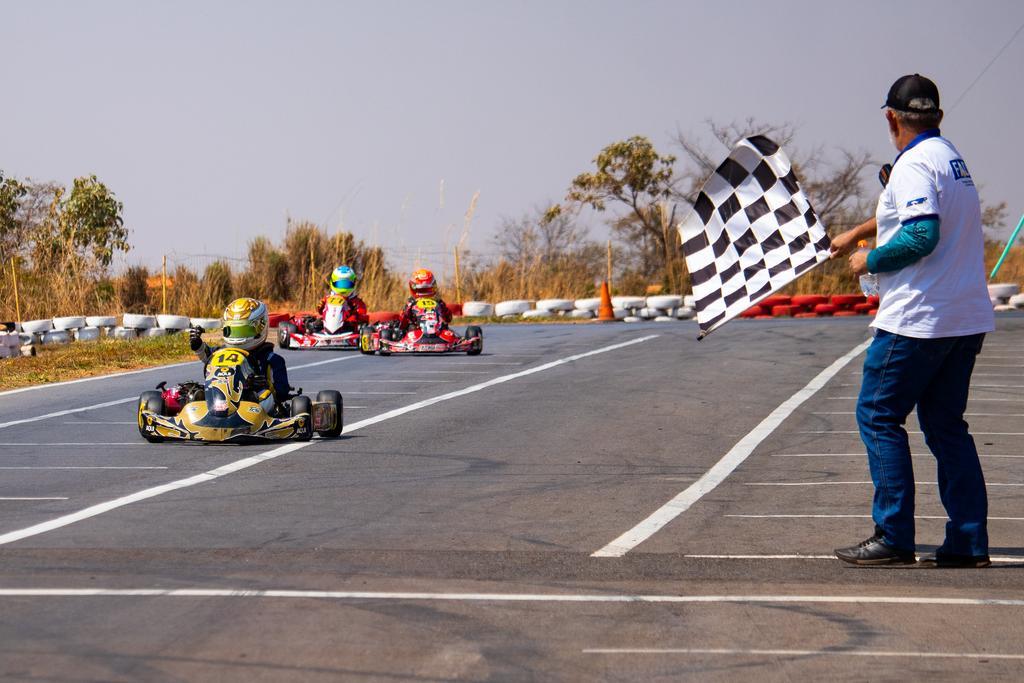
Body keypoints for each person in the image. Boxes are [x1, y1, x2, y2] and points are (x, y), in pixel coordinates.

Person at [830, 74, 995, 567]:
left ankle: (894, 536)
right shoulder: (950, 158)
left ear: (891, 118)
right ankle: (967, 543)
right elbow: (911, 213)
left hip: (919, 319)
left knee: (877, 415)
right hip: (964, 316)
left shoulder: (912, 165)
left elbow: (921, 235)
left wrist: (871, 258)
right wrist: (857, 232)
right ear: (938, 117)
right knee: (946, 427)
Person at [189, 297, 291, 412]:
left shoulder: (271, 358)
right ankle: (204, 413)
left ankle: (249, 417)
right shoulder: (222, 352)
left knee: (265, 395)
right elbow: (208, 356)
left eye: (243, 330)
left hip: (251, 402)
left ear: (260, 327)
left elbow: (282, 392)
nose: (237, 337)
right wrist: (198, 345)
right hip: (220, 395)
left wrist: (262, 385)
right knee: (194, 394)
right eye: (234, 331)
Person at [308, 265, 368, 333]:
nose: (343, 287)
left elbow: (362, 316)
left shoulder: (356, 301)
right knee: (318, 321)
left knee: (356, 323)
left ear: (353, 283)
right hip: (327, 324)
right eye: (340, 284)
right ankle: (312, 328)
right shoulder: (328, 298)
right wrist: (321, 306)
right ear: (332, 282)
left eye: (346, 284)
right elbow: (320, 311)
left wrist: (354, 312)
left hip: (348, 327)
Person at [397, 268, 452, 332]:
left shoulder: (438, 302)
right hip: (417, 332)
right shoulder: (411, 303)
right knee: (409, 328)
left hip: (438, 331)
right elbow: (403, 323)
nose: (424, 291)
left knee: (445, 326)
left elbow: (448, 318)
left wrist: (443, 310)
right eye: (422, 289)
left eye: (426, 289)